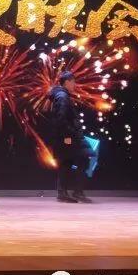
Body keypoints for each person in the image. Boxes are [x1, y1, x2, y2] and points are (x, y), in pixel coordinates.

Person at [49, 71, 93, 204]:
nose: (75, 85)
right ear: (67, 82)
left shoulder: (61, 96)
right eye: (73, 82)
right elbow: (61, 119)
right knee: (77, 160)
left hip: (68, 136)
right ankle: (71, 192)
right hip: (68, 137)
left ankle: (66, 193)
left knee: (68, 162)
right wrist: (69, 134)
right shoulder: (62, 97)